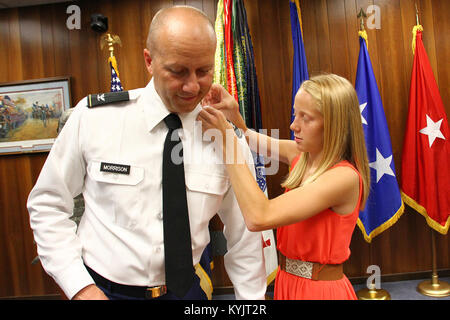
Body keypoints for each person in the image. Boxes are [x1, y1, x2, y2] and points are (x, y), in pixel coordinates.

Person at [27, 6, 266, 300]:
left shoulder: (227, 139)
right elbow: (48, 204)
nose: (193, 86)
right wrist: (79, 286)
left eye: (203, 71)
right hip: (102, 291)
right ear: (149, 61)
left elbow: (244, 235)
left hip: (186, 293)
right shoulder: (95, 119)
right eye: (178, 71)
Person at [198, 73, 371, 300]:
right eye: (294, 114)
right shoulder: (301, 155)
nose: (293, 125)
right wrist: (234, 115)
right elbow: (248, 137)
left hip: (320, 291)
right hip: (287, 282)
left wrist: (226, 138)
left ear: (334, 124)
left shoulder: (343, 178)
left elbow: (259, 216)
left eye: (305, 118)